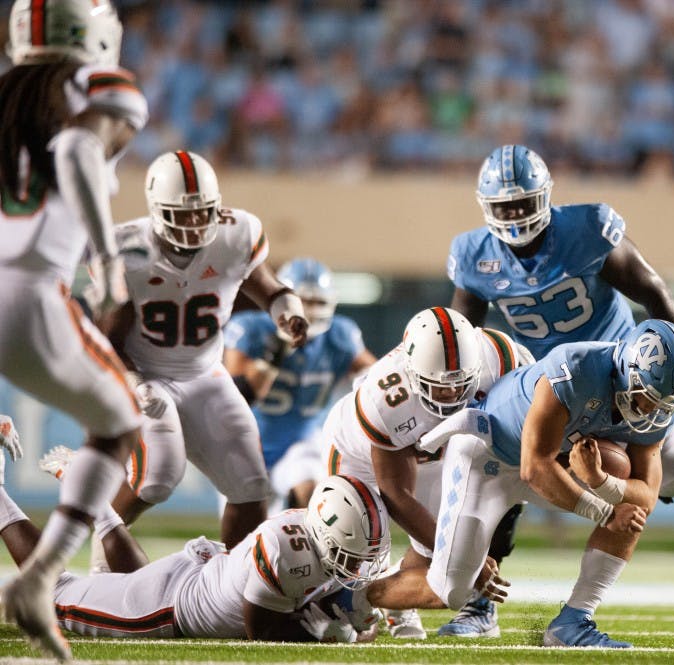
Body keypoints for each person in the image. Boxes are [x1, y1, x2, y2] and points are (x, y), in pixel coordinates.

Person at [445, 144, 674, 634]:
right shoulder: (475, 256)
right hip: (544, 380)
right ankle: (481, 605)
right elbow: (462, 337)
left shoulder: (586, 230)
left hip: (621, 377)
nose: (515, 216)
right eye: (505, 207)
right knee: (507, 473)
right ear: (486, 208)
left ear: (544, 197)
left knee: (666, 474)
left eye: (524, 203)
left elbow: (653, 290)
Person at [339, 320, 674, 649]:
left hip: (550, 463)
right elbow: (534, 468)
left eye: (663, 405)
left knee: (632, 512)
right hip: (488, 460)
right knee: (449, 592)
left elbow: (647, 494)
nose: (650, 411)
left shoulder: (656, 405)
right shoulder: (576, 369)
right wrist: (603, 507)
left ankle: (573, 621)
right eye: (646, 398)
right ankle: (357, 596)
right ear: (625, 370)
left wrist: (602, 481)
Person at [0, 1, 147, 658]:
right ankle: (37, 579)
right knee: (120, 422)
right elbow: (79, 147)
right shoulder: (92, 89)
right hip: (32, 293)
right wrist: (107, 260)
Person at [101, 150, 308, 550]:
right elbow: (106, 338)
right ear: (157, 210)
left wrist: (287, 311)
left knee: (251, 484)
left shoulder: (237, 233)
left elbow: (266, 286)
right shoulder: (128, 249)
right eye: (184, 214)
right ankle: (100, 541)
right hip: (146, 372)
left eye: (203, 213)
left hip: (204, 371)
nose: (196, 224)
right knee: (157, 476)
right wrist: (131, 384)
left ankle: (234, 580)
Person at [0, 434, 389, 644]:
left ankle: (94, 499)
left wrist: (355, 620)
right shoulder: (286, 549)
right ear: (324, 534)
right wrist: (325, 635)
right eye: (349, 554)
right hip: (173, 607)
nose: (357, 566)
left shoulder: (326, 536)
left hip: (199, 574)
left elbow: (343, 603)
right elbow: (263, 632)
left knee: (132, 583)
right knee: (52, 597)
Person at [318, 306, 528, 639]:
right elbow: (395, 493)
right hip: (359, 454)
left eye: (461, 385)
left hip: (435, 453)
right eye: (438, 386)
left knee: (443, 558)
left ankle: (397, 599)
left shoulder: (501, 357)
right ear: (412, 372)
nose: (451, 395)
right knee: (354, 547)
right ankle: (340, 597)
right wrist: (462, 552)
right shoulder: (386, 398)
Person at [224, 258, 377, 515]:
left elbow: (375, 379)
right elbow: (239, 396)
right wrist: (277, 349)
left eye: (318, 302)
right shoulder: (249, 329)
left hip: (301, 441)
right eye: (303, 301)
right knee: (243, 537)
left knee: (312, 492)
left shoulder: (340, 335)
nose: (310, 311)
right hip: (247, 444)